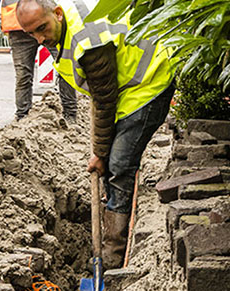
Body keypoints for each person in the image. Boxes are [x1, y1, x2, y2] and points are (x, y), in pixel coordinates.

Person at [16, 0, 175, 269]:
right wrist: (101, 149)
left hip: (149, 82)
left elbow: (105, 100)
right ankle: (112, 203)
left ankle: (113, 255)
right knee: (113, 161)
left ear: (57, 14)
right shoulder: (63, 26)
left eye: (42, 29)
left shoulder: (88, 41)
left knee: (119, 165)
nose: (39, 39)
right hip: (126, 89)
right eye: (31, 33)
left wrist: (100, 154)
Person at [0, 0, 77, 121]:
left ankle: (70, 116)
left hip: (48, 18)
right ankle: (22, 118)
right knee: (23, 76)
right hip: (18, 23)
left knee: (66, 68)